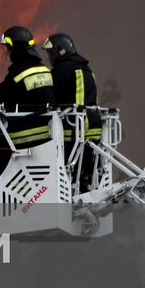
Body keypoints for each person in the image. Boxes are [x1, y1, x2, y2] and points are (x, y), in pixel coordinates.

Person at [43, 32, 102, 189]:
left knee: (67, 180)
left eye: (51, 53)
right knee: (85, 180)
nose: (50, 58)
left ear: (60, 51)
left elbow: (50, 101)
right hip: (93, 133)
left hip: (72, 134)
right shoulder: (88, 71)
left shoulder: (60, 72)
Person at [0, 25, 55, 150]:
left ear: (16, 48)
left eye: (8, 48)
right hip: (49, 136)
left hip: (25, 138)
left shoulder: (16, 75)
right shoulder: (45, 70)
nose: (6, 52)